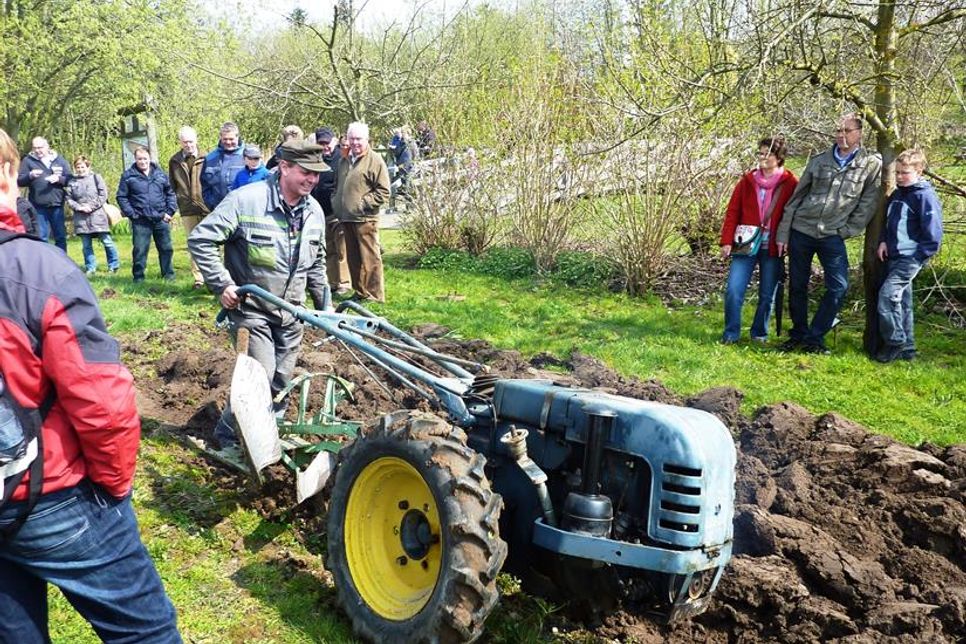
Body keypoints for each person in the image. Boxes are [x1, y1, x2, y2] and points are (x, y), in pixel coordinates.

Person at [0, 127, 182, 643]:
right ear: (11, 175)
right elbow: (101, 402)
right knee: (145, 633)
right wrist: (113, 485)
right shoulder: (37, 271)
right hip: (50, 495)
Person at [187, 139, 329, 448]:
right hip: (252, 309)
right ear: (284, 167)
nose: (312, 180)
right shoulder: (245, 200)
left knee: (282, 381)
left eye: (317, 175)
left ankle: (265, 435)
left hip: (292, 311)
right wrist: (222, 284)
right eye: (306, 172)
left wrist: (324, 308)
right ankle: (228, 438)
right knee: (260, 378)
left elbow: (316, 263)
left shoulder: (314, 211)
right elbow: (201, 239)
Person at [775, 113, 882, 354]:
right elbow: (796, 198)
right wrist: (783, 234)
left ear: (860, 134)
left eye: (847, 131)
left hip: (832, 235)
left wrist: (848, 230)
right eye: (838, 131)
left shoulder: (870, 164)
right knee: (797, 286)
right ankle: (799, 334)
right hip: (801, 230)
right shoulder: (819, 160)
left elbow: (868, 202)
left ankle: (816, 337)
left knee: (838, 286)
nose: (842, 136)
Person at [719, 137, 799, 344]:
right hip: (746, 243)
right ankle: (731, 333)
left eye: (767, 154)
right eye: (760, 153)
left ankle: (759, 334)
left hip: (773, 246)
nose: (762, 158)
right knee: (734, 289)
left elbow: (794, 214)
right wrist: (727, 241)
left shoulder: (791, 183)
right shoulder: (747, 181)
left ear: (778, 158)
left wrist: (788, 240)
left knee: (767, 295)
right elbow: (733, 212)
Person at [874, 149, 943, 363]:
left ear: (919, 171)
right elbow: (888, 222)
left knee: (886, 297)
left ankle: (895, 341)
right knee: (901, 301)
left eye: (905, 173)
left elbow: (933, 235)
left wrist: (918, 256)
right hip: (894, 254)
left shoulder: (924, 197)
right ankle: (908, 348)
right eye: (898, 173)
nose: (900, 177)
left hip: (910, 257)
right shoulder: (897, 194)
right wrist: (884, 240)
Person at [332, 122, 391, 302]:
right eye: (352, 138)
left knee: (370, 259)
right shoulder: (344, 160)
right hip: (346, 218)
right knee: (353, 258)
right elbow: (336, 186)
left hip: (366, 218)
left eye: (359, 139)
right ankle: (360, 292)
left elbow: (384, 191)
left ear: (366, 140)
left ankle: (375, 295)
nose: (355, 142)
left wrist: (362, 203)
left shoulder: (375, 161)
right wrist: (335, 202)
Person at [116, 147, 178, 282]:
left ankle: (169, 275)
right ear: (135, 159)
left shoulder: (161, 175)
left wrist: (170, 211)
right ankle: (138, 277)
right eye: (139, 159)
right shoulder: (128, 176)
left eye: (145, 158)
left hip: (161, 218)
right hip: (140, 220)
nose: (142, 161)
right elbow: (121, 197)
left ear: (150, 158)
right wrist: (132, 214)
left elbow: (170, 193)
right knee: (140, 250)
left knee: (166, 248)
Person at [311, 127, 351, 295]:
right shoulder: (314, 159)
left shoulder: (341, 160)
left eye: (327, 143)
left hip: (337, 212)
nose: (325, 146)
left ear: (334, 141)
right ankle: (332, 281)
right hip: (320, 212)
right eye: (321, 143)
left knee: (342, 249)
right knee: (328, 249)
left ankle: (344, 282)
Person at [168, 126, 209, 288]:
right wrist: (174, 204)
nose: (188, 145)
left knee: (211, 242)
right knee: (193, 243)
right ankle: (199, 278)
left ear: (196, 140)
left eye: (191, 141)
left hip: (207, 207)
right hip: (187, 208)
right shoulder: (174, 161)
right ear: (180, 142)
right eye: (185, 142)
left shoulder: (208, 157)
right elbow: (172, 185)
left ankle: (214, 277)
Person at [65, 155, 120, 276]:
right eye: (78, 167)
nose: (80, 169)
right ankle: (91, 267)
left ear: (88, 166)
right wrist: (80, 207)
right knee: (86, 245)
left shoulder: (96, 178)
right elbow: (68, 199)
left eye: (82, 166)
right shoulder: (72, 182)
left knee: (107, 242)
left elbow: (103, 194)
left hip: (98, 216)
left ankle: (114, 265)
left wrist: (91, 206)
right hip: (81, 218)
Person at [16, 136, 71, 250]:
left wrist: (59, 179)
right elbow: (19, 181)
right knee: (41, 237)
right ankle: (44, 263)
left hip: (57, 204)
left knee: (60, 236)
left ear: (47, 147)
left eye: (40, 147)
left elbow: (70, 179)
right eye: (35, 148)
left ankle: (62, 262)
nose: (37, 150)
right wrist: (30, 176)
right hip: (37, 205)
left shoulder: (59, 160)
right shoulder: (28, 161)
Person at [201, 122, 245, 210]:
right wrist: (211, 204)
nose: (228, 142)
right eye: (225, 139)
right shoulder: (210, 158)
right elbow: (204, 185)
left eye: (231, 139)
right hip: (218, 210)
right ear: (220, 137)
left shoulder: (249, 156)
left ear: (237, 137)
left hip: (243, 210)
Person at [387, 127, 414, 208]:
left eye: (403, 133)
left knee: (407, 186)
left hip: (409, 168)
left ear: (408, 134)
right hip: (401, 167)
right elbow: (397, 153)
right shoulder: (401, 142)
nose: (402, 134)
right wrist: (392, 149)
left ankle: (409, 206)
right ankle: (406, 205)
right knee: (402, 185)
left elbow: (415, 154)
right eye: (401, 133)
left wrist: (411, 164)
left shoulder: (411, 143)